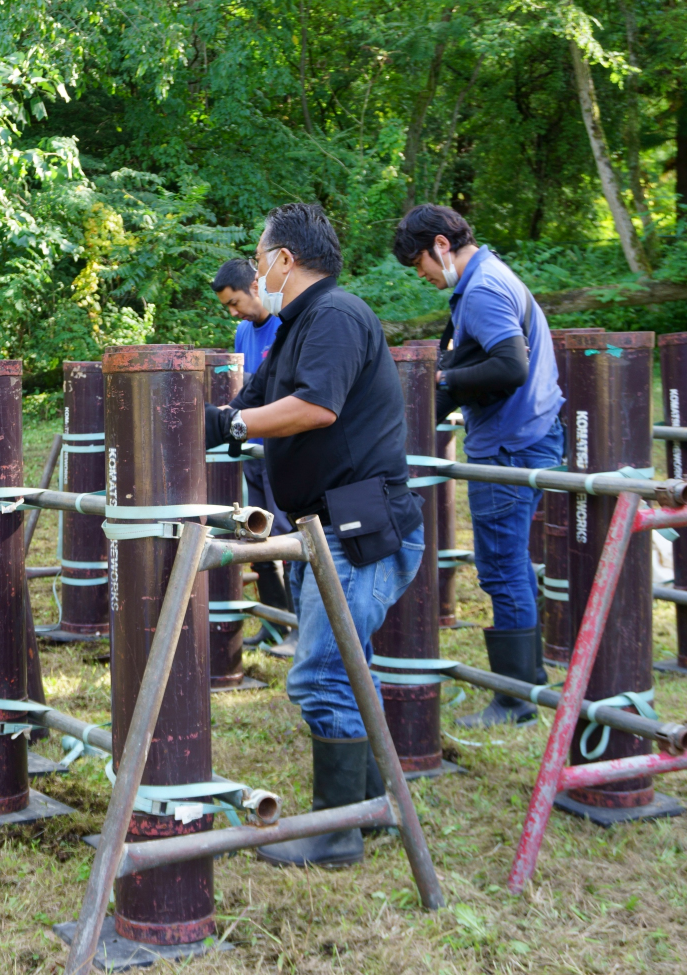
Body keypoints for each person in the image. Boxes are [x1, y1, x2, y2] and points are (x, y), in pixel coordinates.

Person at [205, 203, 424, 867]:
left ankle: (336, 833)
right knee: (350, 669)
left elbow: (315, 407)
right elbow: (246, 407)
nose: (256, 272)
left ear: (284, 259)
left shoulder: (336, 315)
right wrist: (196, 421)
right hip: (322, 529)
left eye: (259, 257)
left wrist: (234, 427)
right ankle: (371, 806)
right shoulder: (296, 327)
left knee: (324, 674)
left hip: (358, 530)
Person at [393, 204, 564, 728]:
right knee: (511, 565)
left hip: (511, 444)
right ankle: (529, 680)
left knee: (501, 567)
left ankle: (514, 700)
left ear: (441, 245)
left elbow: (510, 366)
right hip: (525, 435)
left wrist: (442, 381)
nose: (421, 275)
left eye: (419, 263)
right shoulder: (485, 279)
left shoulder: (485, 289)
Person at [211, 258, 294, 650]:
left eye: (235, 302)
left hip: (281, 450)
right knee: (255, 533)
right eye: (227, 306)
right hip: (251, 451)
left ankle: (300, 623)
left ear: (255, 287)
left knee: (289, 535)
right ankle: (276, 623)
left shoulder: (286, 326)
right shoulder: (244, 331)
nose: (233, 312)